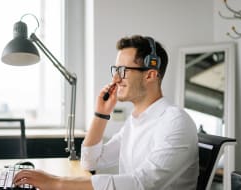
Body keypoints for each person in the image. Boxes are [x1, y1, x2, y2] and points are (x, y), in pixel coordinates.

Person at [13, 35, 199, 190]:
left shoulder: (175, 122)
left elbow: (143, 183)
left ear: (150, 74)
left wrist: (57, 183)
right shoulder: (136, 121)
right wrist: (101, 114)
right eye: (116, 70)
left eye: (123, 70)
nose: (115, 78)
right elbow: (90, 162)